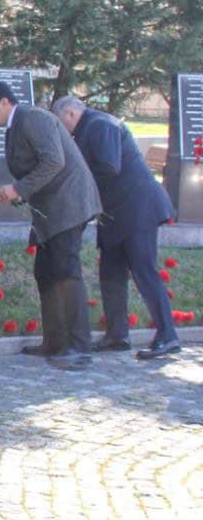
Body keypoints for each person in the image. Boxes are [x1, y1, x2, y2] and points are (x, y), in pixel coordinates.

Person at [0, 82, 102, 370]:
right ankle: (55, 342)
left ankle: (79, 348)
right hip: (51, 210)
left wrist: (18, 189)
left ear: (5, 103)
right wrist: (16, 192)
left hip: (69, 205)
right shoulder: (17, 125)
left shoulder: (33, 118)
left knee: (66, 271)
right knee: (46, 272)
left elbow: (54, 161)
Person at [52, 96, 179, 360]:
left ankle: (168, 336)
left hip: (137, 208)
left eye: (59, 121)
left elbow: (109, 167)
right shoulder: (90, 127)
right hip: (116, 213)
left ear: (70, 114)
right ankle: (117, 334)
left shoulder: (100, 124)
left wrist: (79, 190)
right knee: (110, 272)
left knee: (144, 271)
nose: (60, 129)